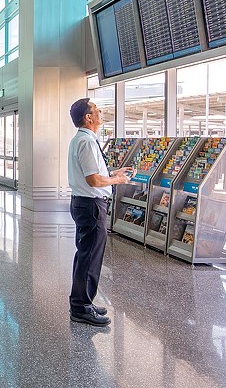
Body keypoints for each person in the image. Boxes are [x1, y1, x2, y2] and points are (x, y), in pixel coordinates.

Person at [67, 98, 134, 327]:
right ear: (88, 117)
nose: (100, 112)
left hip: (86, 203)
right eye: (96, 110)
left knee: (86, 254)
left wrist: (114, 171)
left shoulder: (85, 140)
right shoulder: (85, 142)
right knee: (89, 256)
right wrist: (118, 179)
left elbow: (94, 172)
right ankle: (81, 307)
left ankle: (83, 301)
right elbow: (93, 179)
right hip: (90, 205)